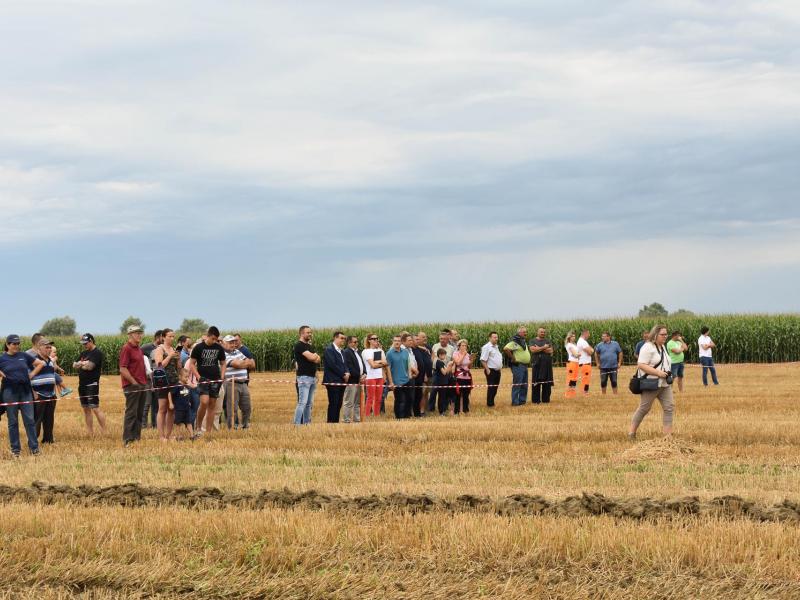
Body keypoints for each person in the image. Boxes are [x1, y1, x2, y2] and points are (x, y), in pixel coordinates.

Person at [0, 334, 45, 457]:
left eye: (18, 343)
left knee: (29, 420)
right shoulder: (2, 358)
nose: (16, 346)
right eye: (14, 344)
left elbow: (41, 363)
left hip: (25, 391)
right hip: (9, 392)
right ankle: (15, 450)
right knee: (13, 422)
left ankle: (34, 448)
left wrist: (31, 375)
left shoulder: (24, 356)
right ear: (8, 345)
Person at [629, 324, 674, 440]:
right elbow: (641, 364)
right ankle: (631, 434)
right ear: (655, 335)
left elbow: (665, 362)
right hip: (651, 383)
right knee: (644, 408)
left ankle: (667, 437)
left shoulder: (663, 347)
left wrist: (668, 373)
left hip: (664, 384)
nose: (665, 336)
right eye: (662, 334)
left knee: (669, 407)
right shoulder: (647, 347)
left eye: (666, 334)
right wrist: (658, 373)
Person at [188, 326, 227, 435]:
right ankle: (199, 427)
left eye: (216, 339)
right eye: (213, 339)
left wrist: (222, 376)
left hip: (216, 379)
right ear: (208, 336)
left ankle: (208, 431)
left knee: (212, 405)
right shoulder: (198, 347)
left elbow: (223, 363)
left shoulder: (219, 348)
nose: (215, 341)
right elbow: (192, 364)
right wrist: (198, 376)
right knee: (204, 402)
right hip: (203, 379)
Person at [119, 325, 148, 447]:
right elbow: (123, 368)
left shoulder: (139, 349)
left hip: (142, 384)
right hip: (132, 385)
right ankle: (127, 439)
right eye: (137, 333)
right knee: (131, 412)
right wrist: (133, 382)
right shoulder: (127, 348)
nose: (139, 335)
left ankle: (136, 437)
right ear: (130, 335)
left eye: (140, 333)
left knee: (139, 412)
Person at [73, 333, 107, 435]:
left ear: (91, 341)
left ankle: (104, 431)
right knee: (86, 409)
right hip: (82, 384)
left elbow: (90, 367)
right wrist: (83, 363)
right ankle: (90, 432)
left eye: (86, 343)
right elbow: (74, 365)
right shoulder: (84, 353)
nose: (84, 345)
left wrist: (81, 364)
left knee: (95, 408)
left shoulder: (97, 353)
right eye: (83, 344)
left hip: (91, 384)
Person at [222, 334, 255, 429]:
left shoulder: (237, 352)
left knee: (247, 407)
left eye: (233, 342)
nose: (233, 344)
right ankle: (233, 427)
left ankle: (245, 426)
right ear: (224, 344)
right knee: (232, 409)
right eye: (230, 343)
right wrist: (243, 363)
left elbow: (252, 364)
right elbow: (236, 364)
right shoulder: (223, 354)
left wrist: (242, 363)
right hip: (232, 384)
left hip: (243, 383)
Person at [152, 328, 180, 441]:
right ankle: (161, 436)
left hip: (174, 381)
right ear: (163, 337)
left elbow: (178, 368)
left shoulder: (173, 349)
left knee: (171, 409)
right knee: (162, 408)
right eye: (170, 336)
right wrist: (169, 356)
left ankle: (168, 435)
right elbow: (160, 366)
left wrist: (178, 359)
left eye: (173, 336)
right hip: (163, 382)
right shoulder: (160, 349)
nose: (172, 338)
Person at [31, 338, 59, 444]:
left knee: (49, 419)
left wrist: (54, 394)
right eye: (46, 347)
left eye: (50, 347)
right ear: (39, 348)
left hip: (51, 395)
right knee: (37, 420)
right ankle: (33, 442)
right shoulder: (34, 361)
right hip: (39, 395)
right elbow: (27, 377)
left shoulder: (51, 362)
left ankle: (48, 440)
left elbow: (52, 377)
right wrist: (34, 393)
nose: (49, 349)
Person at [293, 326, 320, 425]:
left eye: (310, 332)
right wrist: (314, 356)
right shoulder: (299, 346)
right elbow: (313, 358)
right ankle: (296, 424)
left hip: (312, 377)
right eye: (308, 332)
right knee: (302, 403)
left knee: (309, 404)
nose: (310, 334)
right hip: (304, 377)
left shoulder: (309, 346)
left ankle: (307, 423)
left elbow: (318, 359)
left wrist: (313, 357)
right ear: (302, 333)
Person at [322, 332, 348, 423]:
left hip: (342, 381)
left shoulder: (342, 351)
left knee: (339, 403)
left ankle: (336, 423)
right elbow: (332, 365)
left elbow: (345, 364)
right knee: (334, 403)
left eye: (344, 338)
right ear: (335, 338)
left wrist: (347, 372)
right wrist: (343, 374)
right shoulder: (329, 350)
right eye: (341, 338)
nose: (343, 340)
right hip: (332, 381)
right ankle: (330, 423)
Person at [386, 334, 414, 419]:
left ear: (401, 342)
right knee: (400, 400)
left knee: (409, 399)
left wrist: (409, 375)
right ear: (393, 342)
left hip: (406, 380)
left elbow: (408, 364)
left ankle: (406, 416)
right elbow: (388, 369)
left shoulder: (405, 352)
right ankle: (399, 417)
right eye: (395, 341)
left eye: (398, 341)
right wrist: (391, 382)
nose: (397, 342)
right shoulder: (389, 354)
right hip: (396, 381)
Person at [140, 330, 163, 429]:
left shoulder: (162, 348)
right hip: (147, 379)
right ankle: (143, 425)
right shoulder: (146, 347)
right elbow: (138, 358)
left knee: (156, 404)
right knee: (146, 403)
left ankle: (155, 424)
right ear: (158, 337)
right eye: (163, 337)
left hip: (158, 379)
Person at [503, 327, 530, 406]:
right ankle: (515, 402)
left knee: (524, 385)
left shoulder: (522, 341)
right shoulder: (515, 342)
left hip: (524, 366)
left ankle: (522, 401)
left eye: (526, 332)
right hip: (518, 366)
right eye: (524, 332)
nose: (525, 333)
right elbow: (506, 348)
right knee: (517, 384)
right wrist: (512, 358)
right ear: (519, 333)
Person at [361, 334, 386, 419]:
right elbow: (373, 365)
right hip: (370, 377)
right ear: (369, 340)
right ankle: (367, 415)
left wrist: (378, 364)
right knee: (370, 398)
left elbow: (385, 363)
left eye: (377, 338)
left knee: (379, 398)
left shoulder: (380, 350)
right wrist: (380, 363)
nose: (376, 340)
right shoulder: (366, 351)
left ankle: (376, 415)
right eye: (373, 339)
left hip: (379, 376)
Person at [342, 335, 366, 423]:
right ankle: (347, 420)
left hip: (360, 380)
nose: (357, 343)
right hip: (352, 381)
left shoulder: (358, 352)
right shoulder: (347, 352)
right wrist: (359, 376)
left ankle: (357, 419)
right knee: (349, 402)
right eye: (355, 342)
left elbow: (362, 364)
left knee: (358, 403)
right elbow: (349, 367)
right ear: (349, 343)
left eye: (357, 342)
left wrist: (365, 374)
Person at [529, 328, 554, 404]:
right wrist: (544, 347)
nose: (543, 333)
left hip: (547, 365)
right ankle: (536, 400)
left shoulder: (548, 341)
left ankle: (546, 400)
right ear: (537, 332)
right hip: (537, 365)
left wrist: (539, 348)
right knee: (536, 382)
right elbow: (533, 350)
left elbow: (551, 350)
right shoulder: (532, 341)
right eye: (541, 332)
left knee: (546, 383)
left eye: (544, 332)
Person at [480, 332, 502, 408]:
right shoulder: (487, 347)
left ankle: (492, 402)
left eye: (497, 337)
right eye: (494, 337)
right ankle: (490, 404)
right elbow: (483, 360)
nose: (496, 339)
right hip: (491, 370)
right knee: (491, 387)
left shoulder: (496, 347)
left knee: (495, 388)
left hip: (497, 371)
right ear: (490, 338)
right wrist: (488, 370)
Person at [412, 333, 432, 416]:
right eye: (416, 339)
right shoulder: (411, 350)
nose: (425, 338)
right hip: (418, 376)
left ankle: (422, 411)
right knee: (420, 394)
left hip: (425, 374)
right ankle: (419, 411)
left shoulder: (423, 348)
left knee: (423, 393)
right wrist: (424, 375)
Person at [429, 348, 454, 415]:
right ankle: (438, 410)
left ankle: (442, 411)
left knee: (442, 397)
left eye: (445, 355)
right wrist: (449, 365)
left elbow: (447, 371)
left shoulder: (442, 362)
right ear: (439, 355)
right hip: (438, 382)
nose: (444, 357)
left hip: (443, 382)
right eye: (443, 355)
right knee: (436, 396)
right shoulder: (439, 362)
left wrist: (450, 366)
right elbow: (444, 372)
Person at [172, 370, 195, 441]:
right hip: (179, 409)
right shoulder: (177, 386)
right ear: (180, 377)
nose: (187, 378)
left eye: (188, 377)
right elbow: (170, 394)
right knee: (178, 423)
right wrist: (170, 403)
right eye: (185, 377)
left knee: (189, 422)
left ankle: (192, 436)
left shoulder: (187, 386)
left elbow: (188, 395)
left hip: (187, 408)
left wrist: (189, 402)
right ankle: (178, 436)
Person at [451, 339, 472, 414]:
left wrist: (471, 361)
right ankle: (456, 411)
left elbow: (469, 367)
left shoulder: (468, 354)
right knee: (458, 394)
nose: (464, 347)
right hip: (459, 376)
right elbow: (458, 362)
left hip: (467, 376)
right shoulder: (455, 354)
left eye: (465, 346)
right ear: (459, 346)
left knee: (466, 394)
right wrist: (463, 354)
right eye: (462, 345)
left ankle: (466, 410)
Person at [577, 330, 594, 396]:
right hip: (585, 363)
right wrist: (591, 350)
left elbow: (590, 349)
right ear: (585, 334)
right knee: (586, 378)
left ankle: (585, 392)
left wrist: (591, 349)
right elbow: (590, 352)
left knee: (585, 378)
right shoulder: (583, 342)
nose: (589, 336)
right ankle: (585, 392)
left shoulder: (580, 341)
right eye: (588, 334)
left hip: (583, 363)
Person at [564, 331, 581, 398]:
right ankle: (567, 394)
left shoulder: (574, 345)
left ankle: (572, 393)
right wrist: (578, 354)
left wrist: (578, 354)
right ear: (569, 337)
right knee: (570, 378)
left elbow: (577, 354)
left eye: (574, 336)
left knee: (574, 379)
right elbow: (576, 354)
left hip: (576, 363)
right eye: (572, 336)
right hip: (571, 363)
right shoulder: (569, 345)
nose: (574, 338)